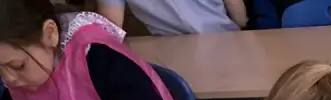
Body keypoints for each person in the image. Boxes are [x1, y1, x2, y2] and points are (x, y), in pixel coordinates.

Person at [0, 1, 186, 100]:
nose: (9, 79)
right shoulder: (20, 83)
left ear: (50, 34)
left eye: (18, 66)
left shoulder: (100, 59)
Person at [93, 0, 246, 35]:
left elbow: (111, 27)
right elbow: (235, 6)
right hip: (223, 36)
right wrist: (242, 24)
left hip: (169, 47)